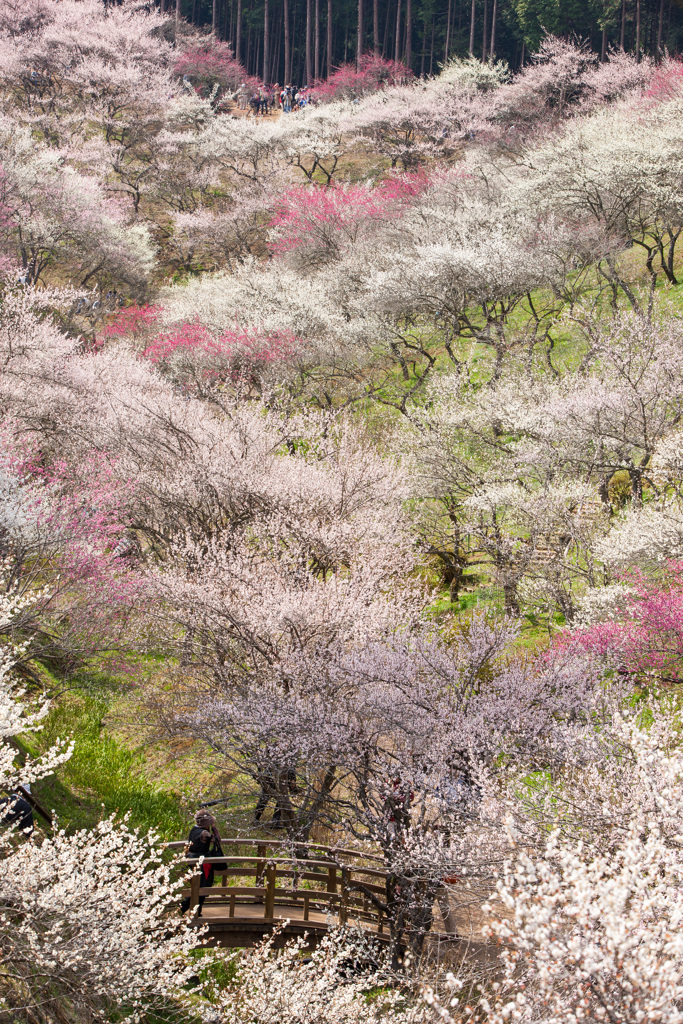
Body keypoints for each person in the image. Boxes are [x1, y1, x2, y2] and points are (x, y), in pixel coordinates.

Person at [180, 809, 225, 915]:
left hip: (192, 859)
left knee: (198, 886)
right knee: (202, 887)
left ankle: (196, 911)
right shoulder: (205, 833)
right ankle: (183, 909)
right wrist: (213, 828)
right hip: (202, 863)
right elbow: (217, 839)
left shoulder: (193, 830)